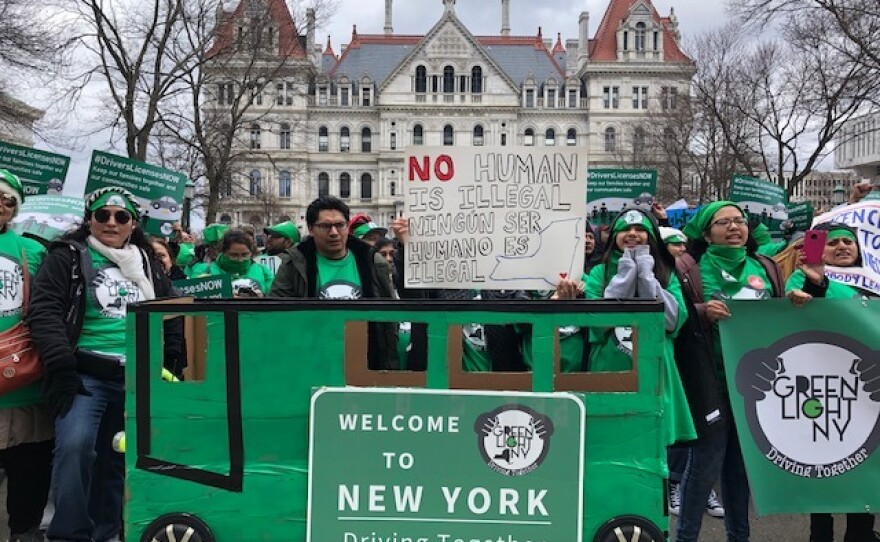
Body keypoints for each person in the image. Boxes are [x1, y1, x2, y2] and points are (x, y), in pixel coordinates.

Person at [27, 187, 182, 542]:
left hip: (136, 375)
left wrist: (173, 353)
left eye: (121, 216)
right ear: (89, 220)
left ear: (133, 223)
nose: (111, 222)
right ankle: (68, 534)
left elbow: (171, 307)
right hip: (84, 375)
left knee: (117, 458)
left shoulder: (146, 262)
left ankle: (105, 533)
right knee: (75, 448)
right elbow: (45, 311)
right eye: (102, 215)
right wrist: (60, 363)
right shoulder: (66, 256)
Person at [674, 201, 785, 542]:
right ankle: (686, 537)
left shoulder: (765, 266)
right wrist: (701, 311)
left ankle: (740, 536)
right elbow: (674, 313)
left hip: (755, 386)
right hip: (710, 382)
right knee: (705, 463)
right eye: (724, 222)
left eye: (740, 221)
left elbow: (780, 314)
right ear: (707, 233)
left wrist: (797, 301)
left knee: (739, 468)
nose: (735, 227)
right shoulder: (688, 268)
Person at [560, 209, 696, 445]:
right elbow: (598, 321)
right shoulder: (598, 274)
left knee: (651, 448)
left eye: (641, 229)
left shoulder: (667, 274)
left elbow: (672, 321)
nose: (632, 234)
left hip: (656, 374)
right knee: (610, 443)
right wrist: (625, 275)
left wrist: (645, 274)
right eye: (626, 229)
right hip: (607, 372)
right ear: (614, 236)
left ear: (651, 237)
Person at [785, 222, 878, 542]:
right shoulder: (803, 277)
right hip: (823, 388)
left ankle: (861, 532)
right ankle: (820, 533)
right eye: (833, 242)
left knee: (866, 460)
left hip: (865, 389)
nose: (842, 246)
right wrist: (815, 286)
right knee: (823, 461)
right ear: (819, 250)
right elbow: (795, 313)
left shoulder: (873, 282)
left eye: (847, 242)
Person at [269, 196, 398, 369]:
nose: (334, 232)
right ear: (311, 229)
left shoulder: (372, 261)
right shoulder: (294, 263)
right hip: (311, 360)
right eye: (325, 226)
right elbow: (276, 316)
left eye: (340, 225)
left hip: (366, 361)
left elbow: (390, 316)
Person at [0, 170, 52, 542]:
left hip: (23, 385)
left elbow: (48, 311)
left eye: (8, 200)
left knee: (28, 478)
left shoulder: (32, 251)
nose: (0, 205)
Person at [197, 229, 274, 297]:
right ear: (223, 252)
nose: (240, 260)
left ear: (251, 252)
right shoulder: (205, 272)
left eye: (245, 255)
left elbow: (276, 298)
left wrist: (262, 297)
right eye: (234, 255)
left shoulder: (264, 272)